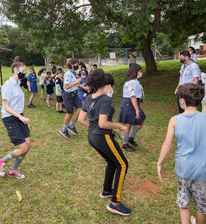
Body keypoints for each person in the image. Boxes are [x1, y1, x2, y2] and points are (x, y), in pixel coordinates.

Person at [157, 83, 206, 224]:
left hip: (183, 169)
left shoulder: (174, 120)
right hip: (204, 170)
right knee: (202, 205)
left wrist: (160, 163)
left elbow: (167, 144)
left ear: (182, 100)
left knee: (184, 201)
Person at [78, 69, 131, 216]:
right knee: (123, 164)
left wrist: (94, 128)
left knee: (112, 162)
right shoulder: (105, 100)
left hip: (92, 137)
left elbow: (81, 120)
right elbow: (103, 123)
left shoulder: (89, 97)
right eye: (112, 87)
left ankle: (107, 190)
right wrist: (120, 126)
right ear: (106, 85)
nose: (113, 90)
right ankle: (115, 203)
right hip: (102, 137)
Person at [0, 62, 31, 179]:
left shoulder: (17, 84)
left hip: (19, 117)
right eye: (23, 70)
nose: (25, 72)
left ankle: (13, 170)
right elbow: (6, 107)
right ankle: (2, 161)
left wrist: (20, 116)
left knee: (28, 145)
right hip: (10, 118)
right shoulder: (8, 85)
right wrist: (20, 117)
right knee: (22, 148)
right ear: (16, 70)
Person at [118, 63, 146, 152]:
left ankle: (130, 138)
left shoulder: (135, 81)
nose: (140, 73)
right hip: (129, 104)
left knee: (140, 122)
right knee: (128, 124)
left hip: (134, 103)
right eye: (139, 71)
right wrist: (137, 110)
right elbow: (132, 96)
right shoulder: (132, 82)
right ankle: (125, 144)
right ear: (135, 72)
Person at [59, 58, 83, 138]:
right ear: (72, 65)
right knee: (70, 113)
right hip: (68, 94)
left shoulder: (74, 72)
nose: (77, 66)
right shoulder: (68, 74)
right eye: (76, 64)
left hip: (75, 94)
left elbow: (77, 83)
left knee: (80, 109)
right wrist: (76, 82)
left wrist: (84, 87)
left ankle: (71, 126)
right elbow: (67, 86)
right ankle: (63, 129)